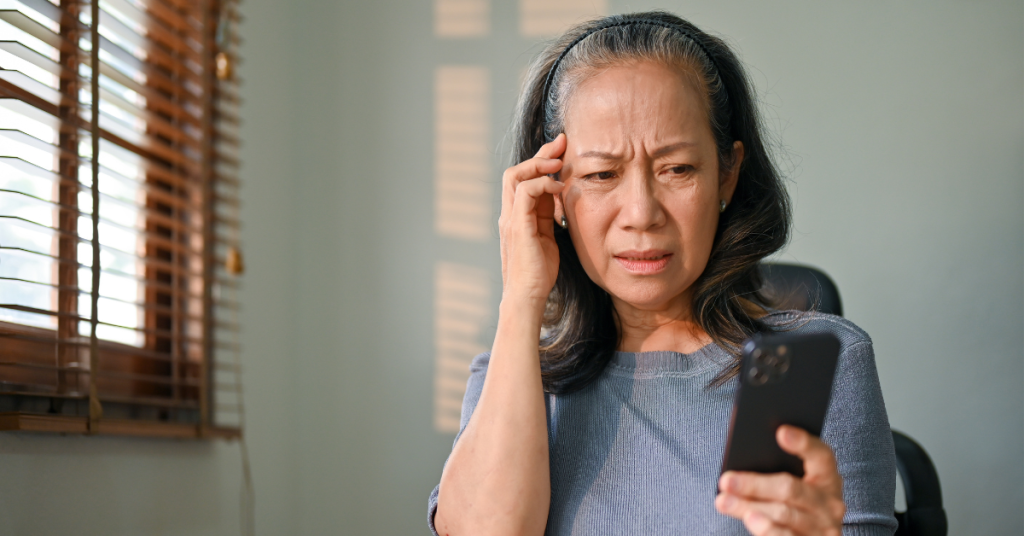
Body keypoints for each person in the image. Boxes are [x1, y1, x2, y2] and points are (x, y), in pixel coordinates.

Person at [428, 11, 896, 536]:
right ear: (553, 191)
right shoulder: (510, 375)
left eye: (677, 169)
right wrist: (521, 295)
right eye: (602, 174)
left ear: (727, 174)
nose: (641, 213)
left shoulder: (822, 361)